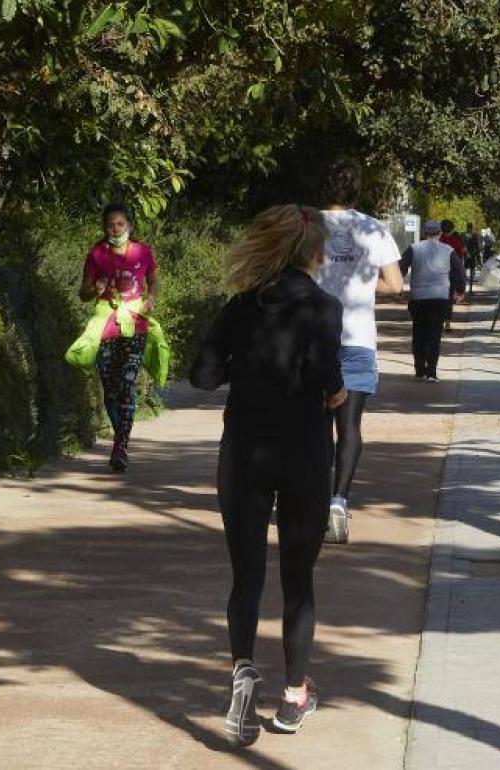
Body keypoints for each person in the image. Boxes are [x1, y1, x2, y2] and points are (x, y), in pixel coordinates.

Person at [190, 204, 346, 746]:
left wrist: (246, 370)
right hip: (303, 452)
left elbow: (203, 375)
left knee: (247, 575)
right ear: (312, 252)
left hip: (243, 453)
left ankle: (241, 670)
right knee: (298, 580)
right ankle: (294, 696)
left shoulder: (239, 306)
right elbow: (330, 381)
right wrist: (335, 393)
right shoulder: (325, 308)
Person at [316, 159, 404, 545]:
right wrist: (365, 289)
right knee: (348, 425)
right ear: (356, 191)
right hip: (356, 338)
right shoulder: (373, 228)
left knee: (313, 425)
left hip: (311, 339)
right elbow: (396, 285)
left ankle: (313, 497)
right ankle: (338, 501)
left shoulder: (305, 226)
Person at [78, 202, 157, 472]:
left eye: (120, 224)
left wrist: (150, 299)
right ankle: (120, 438)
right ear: (104, 228)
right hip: (106, 326)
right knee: (110, 388)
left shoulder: (142, 252)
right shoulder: (96, 253)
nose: (115, 229)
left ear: (130, 226)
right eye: (110, 225)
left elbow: (153, 280)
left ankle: (121, 445)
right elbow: (83, 293)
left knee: (126, 381)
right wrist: (95, 287)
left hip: (135, 325)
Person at [400, 221, 466, 382]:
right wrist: (460, 290)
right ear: (440, 233)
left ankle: (419, 369)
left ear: (424, 233)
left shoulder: (414, 248)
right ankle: (432, 372)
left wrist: (398, 287)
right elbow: (459, 271)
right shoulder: (448, 250)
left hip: (418, 297)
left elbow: (401, 266)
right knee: (434, 335)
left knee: (419, 333)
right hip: (440, 297)